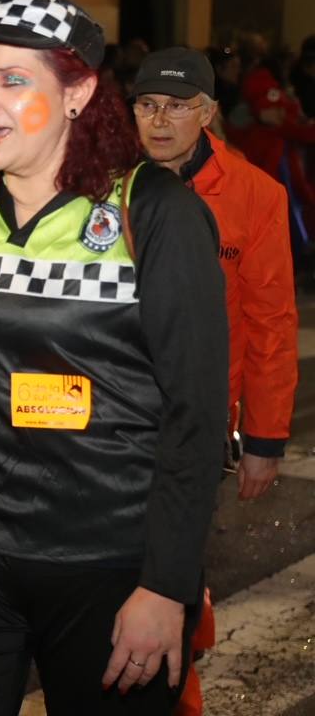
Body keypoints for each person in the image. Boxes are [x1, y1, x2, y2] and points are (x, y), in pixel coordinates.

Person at [0, 0, 227, 715]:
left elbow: (195, 413)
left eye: (12, 79)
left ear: (79, 92)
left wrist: (166, 585)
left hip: (105, 559)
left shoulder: (155, 211)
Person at [129, 47, 298, 716]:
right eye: (147, 106)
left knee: (168, 567)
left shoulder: (255, 195)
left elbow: (271, 323)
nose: (161, 120)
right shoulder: (103, 184)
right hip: (109, 415)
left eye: (177, 107)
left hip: (195, 424)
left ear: (207, 113)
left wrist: (264, 436)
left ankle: (179, 678)